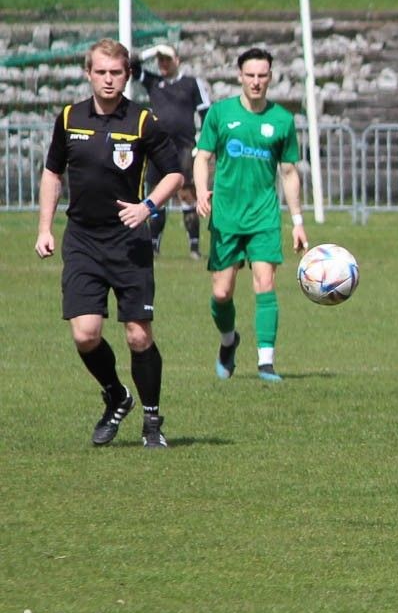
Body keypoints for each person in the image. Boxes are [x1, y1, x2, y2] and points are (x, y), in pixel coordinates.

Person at [35, 38, 183, 449]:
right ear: (88, 73)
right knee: (85, 333)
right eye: (100, 72)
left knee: (138, 334)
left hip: (129, 240)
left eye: (116, 72)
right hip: (82, 238)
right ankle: (117, 395)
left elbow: (174, 174)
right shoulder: (69, 118)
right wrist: (45, 228)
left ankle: (152, 421)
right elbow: (52, 173)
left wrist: (147, 207)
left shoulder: (141, 121)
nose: (108, 79)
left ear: (127, 75)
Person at [194, 48, 307, 382]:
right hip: (226, 216)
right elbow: (202, 157)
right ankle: (229, 342)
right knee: (221, 293)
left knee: (265, 283)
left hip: (264, 217)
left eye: (263, 75)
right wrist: (202, 191)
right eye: (251, 75)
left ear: (271, 77)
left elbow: (288, 173)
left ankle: (266, 363)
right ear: (239, 76)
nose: (256, 82)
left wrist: (298, 222)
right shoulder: (220, 114)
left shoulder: (282, 121)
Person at [133, 43, 211, 259]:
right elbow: (130, 64)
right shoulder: (153, 82)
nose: (163, 64)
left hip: (184, 147)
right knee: (158, 194)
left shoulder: (191, 83)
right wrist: (152, 50)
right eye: (160, 60)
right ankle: (154, 246)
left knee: (187, 194)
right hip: (158, 147)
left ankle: (194, 247)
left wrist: (202, 144)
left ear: (177, 60)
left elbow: (206, 113)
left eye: (167, 59)